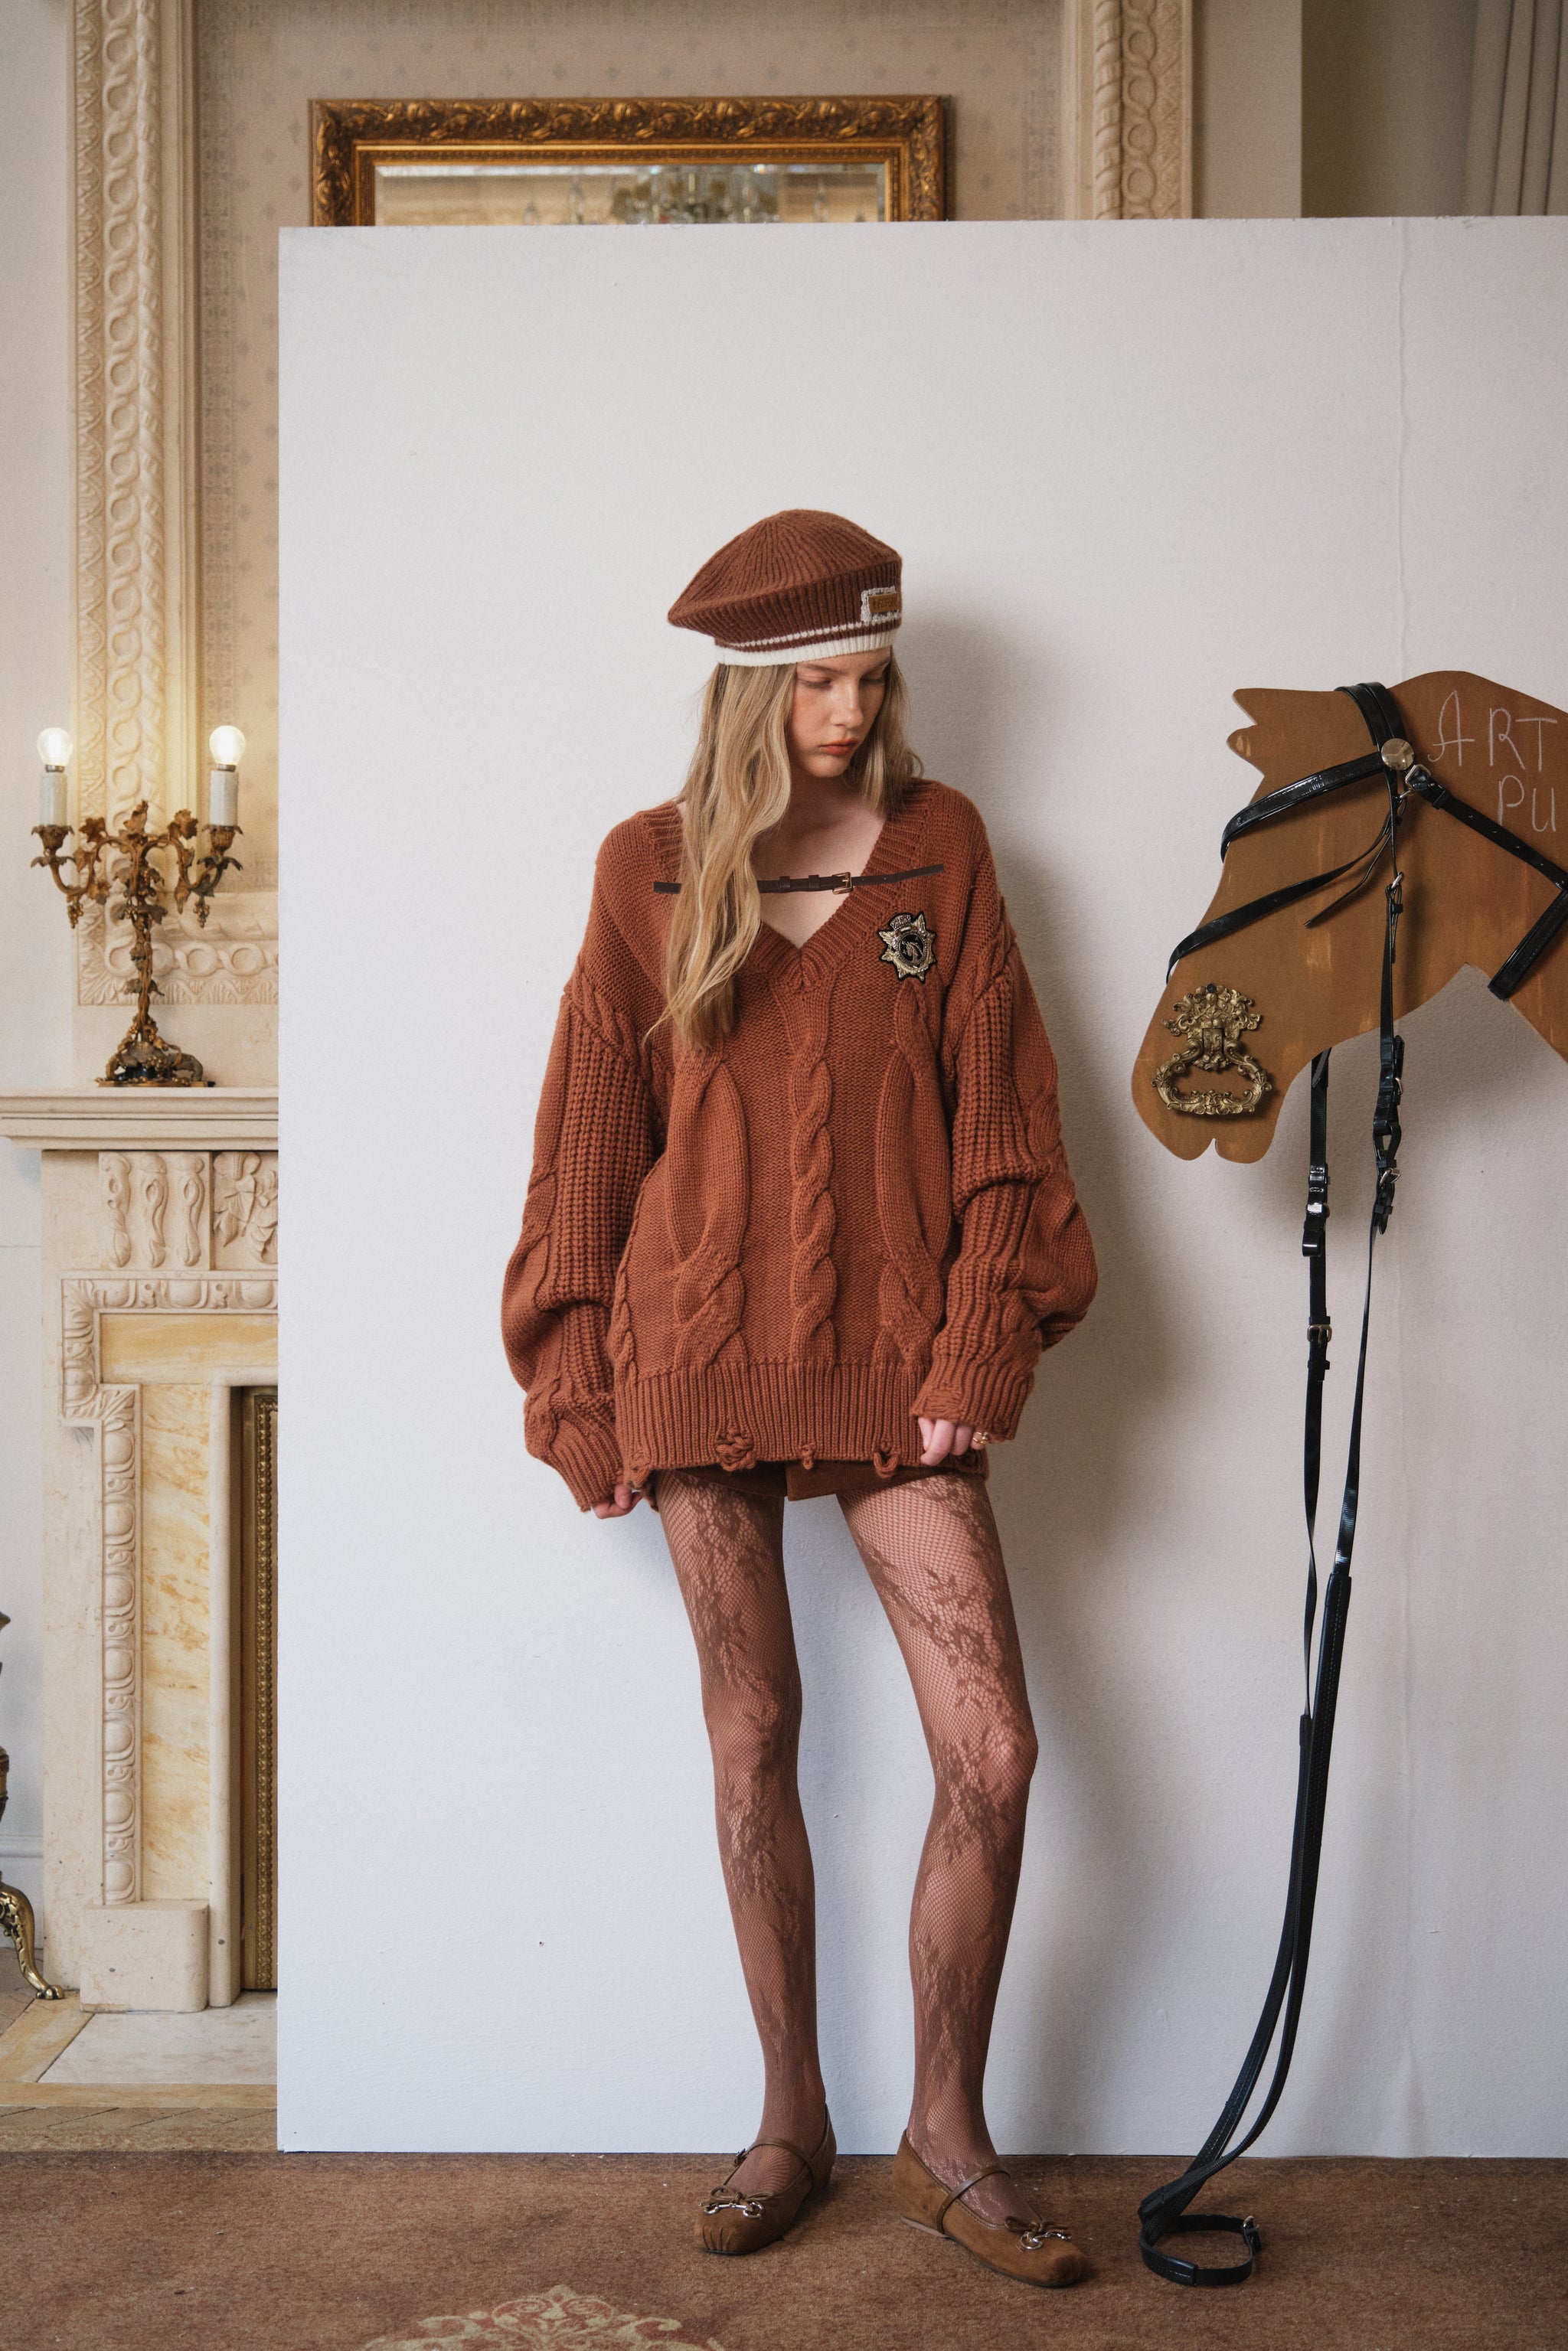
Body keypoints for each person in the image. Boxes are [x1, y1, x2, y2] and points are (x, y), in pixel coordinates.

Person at [501, 510, 1098, 2288]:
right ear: (748, 691)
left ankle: (946, 2132)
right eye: (819, 680)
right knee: (753, 1734)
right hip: (692, 1365)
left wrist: (977, 1348)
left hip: (898, 1365)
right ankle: (789, 2120)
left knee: (992, 1749)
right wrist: (576, 1384)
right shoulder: (646, 867)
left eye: (871, 676)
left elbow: (1007, 1127)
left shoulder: (942, 851)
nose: (851, 711)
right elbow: (589, 1142)